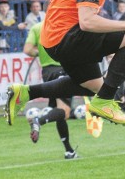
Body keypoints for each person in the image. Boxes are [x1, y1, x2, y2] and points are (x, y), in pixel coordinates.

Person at [23, 22, 79, 159]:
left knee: (57, 111)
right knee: (64, 111)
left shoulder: (36, 28)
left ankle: (69, 151)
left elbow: (27, 49)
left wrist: (40, 53)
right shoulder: (64, 24)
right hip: (63, 69)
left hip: (47, 72)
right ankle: (38, 120)